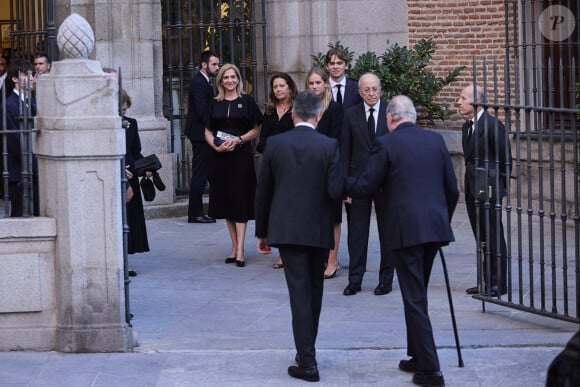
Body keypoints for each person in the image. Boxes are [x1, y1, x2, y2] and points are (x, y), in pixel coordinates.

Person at [344, 95, 458, 387]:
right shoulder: (435, 141)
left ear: (391, 118)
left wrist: (340, 182)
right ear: (414, 116)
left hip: (406, 232)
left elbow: (367, 185)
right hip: (433, 229)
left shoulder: (386, 143)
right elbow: (452, 190)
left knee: (414, 296)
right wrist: (439, 220)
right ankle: (418, 355)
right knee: (416, 292)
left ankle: (431, 370)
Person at [255, 90, 343, 383]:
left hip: (288, 229)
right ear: (318, 115)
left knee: (299, 294)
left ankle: (307, 360)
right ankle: (308, 351)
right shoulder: (329, 145)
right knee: (314, 291)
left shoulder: (276, 144)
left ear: (293, 115)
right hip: (318, 229)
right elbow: (334, 191)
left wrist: (263, 232)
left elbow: (264, 190)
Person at [341, 73, 394, 296]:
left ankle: (385, 281)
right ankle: (355, 280)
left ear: (380, 89)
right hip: (358, 183)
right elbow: (344, 152)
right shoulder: (350, 115)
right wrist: (346, 187)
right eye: (367, 90)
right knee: (357, 233)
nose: (371, 93)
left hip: (387, 183)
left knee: (388, 233)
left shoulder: (391, 112)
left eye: (375, 88)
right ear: (359, 92)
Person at [204, 63, 263, 267]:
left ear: (238, 79)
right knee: (226, 202)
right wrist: (216, 147)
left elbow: (256, 130)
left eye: (233, 77)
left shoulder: (247, 101)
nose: (230, 80)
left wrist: (239, 140)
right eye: (226, 77)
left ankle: (240, 250)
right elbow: (208, 131)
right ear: (220, 80)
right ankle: (234, 245)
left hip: (240, 157)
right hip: (220, 158)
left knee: (239, 200)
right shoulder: (214, 103)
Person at [457, 84, 510, 297]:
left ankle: (499, 283)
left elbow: (505, 159)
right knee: (482, 236)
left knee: (493, 235)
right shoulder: (465, 126)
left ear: (476, 102)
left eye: (462, 98)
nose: (458, 102)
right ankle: (486, 281)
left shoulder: (492, 125)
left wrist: (499, 190)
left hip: (489, 188)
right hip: (472, 188)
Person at [256, 72, 298, 269]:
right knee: (276, 211)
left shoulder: (297, 110)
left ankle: (294, 249)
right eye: (275, 87)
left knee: (292, 209)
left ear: (290, 87)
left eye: (282, 85)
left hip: (293, 167)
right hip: (272, 167)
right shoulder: (270, 112)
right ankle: (282, 253)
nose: (279, 89)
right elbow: (262, 140)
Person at [305, 67, 344, 279]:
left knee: (332, 218)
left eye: (318, 83)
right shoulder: (304, 108)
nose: (314, 87)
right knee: (314, 216)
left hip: (329, 169)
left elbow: (337, 140)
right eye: (310, 84)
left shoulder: (335, 109)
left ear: (325, 84)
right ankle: (317, 258)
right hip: (308, 172)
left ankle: (332, 260)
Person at [185, 50, 220, 224]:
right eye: (214, 64)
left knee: (205, 172)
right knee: (200, 173)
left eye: (218, 64)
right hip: (200, 134)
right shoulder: (199, 83)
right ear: (204, 65)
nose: (217, 67)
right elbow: (201, 111)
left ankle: (202, 211)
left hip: (201, 133)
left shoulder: (204, 82)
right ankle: (195, 213)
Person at [3, 58, 38, 217]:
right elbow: (15, 141)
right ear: (15, 78)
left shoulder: (33, 103)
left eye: (32, 74)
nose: (32, 78)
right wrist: (33, 161)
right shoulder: (9, 105)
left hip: (34, 168)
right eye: (26, 74)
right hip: (19, 172)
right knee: (19, 215)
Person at [122, 90, 150, 262]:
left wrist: (147, 168)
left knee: (131, 218)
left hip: (131, 172)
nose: (124, 112)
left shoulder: (132, 123)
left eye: (125, 109)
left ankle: (127, 259)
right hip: (115, 173)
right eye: (121, 109)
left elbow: (135, 151)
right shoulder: (107, 124)